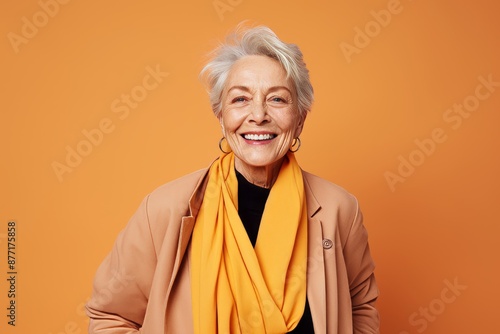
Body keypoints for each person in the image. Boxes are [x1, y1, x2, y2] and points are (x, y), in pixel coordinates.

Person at [86, 24, 380, 334]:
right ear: (221, 115)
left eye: (277, 100)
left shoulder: (340, 210)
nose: (258, 115)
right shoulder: (164, 210)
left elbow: (361, 307)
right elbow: (110, 317)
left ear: (300, 119)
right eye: (240, 100)